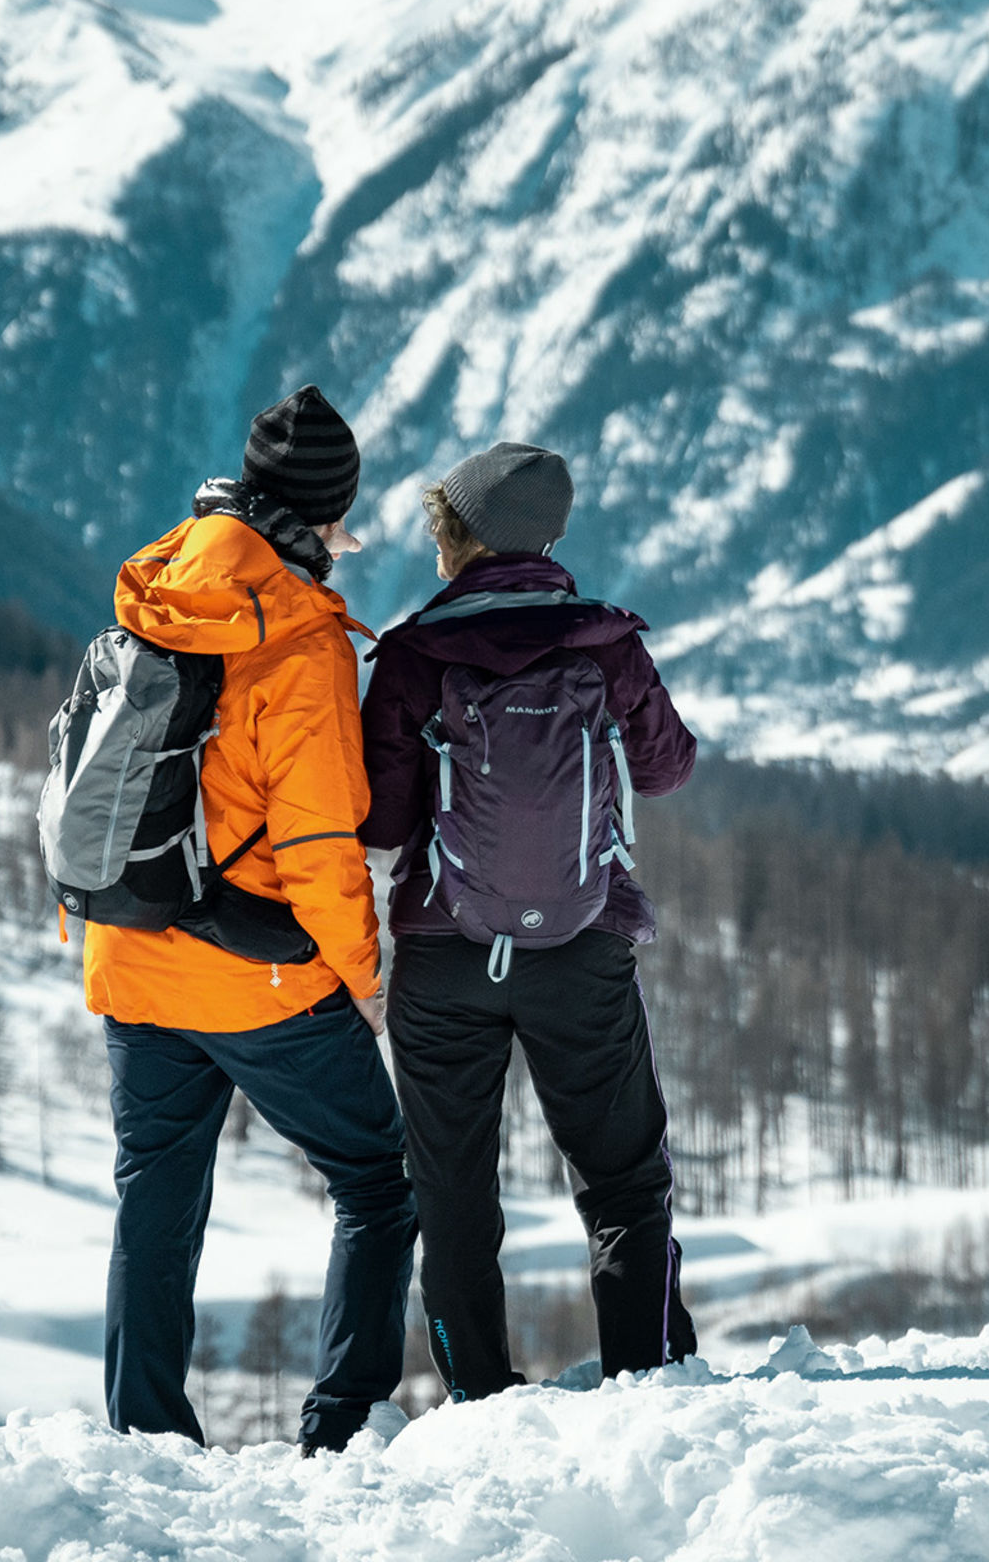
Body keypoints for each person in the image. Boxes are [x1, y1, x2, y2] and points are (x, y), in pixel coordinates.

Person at [83, 384, 414, 1453]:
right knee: (377, 1178)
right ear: (327, 512)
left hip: (132, 949)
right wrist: (363, 975)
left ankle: (146, 1433)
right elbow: (318, 842)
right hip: (256, 974)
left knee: (157, 1197)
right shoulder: (299, 638)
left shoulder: (161, 580)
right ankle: (345, 1423)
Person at [361, 440, 701, 1397]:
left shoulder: (415, 653)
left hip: (442, 949)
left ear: (456, 533)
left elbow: (381, 820)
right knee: (624, 1178)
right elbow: (669, 768)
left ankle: (478, 1393)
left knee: (455, 1193)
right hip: (581, 944)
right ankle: (650, 1378)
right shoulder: (607, 643)